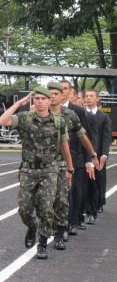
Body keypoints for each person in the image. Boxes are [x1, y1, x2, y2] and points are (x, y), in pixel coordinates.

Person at [0, 86, 74, 259]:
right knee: (24, 208)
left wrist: (70, 169)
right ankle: (32, 226)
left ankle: (42, 244)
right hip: (28, 170)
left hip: (50, 170)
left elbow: (65, 146)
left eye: (43, 99)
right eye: (37, 99)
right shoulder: (25, 118)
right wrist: (18, 103)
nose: (39, 101)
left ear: (49, 101)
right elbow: (2, 121)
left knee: (46, 208)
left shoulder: (58, 121)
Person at [47, 81, 97, 249]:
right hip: (52, 161)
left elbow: (85, 136)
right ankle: (57, 224)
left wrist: (89, 159)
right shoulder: (44, 111)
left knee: (72, 193)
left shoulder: (77, 111)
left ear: (67, 93)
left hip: (74, 159)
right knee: (54, 196)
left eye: (64, 89)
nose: (59, 93)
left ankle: (71, 223)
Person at [84, 89, 112, 225]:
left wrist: (104, 154)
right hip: (83, 156)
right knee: (82, 184)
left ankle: (93, 210)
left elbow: (106, 138)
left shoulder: (104, 117)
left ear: (97, 100)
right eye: (87, 96)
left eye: (91, 96)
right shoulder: (81, 114)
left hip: (98, 156)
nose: (88, 98)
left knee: (96, 183)